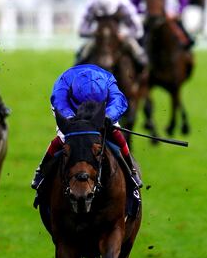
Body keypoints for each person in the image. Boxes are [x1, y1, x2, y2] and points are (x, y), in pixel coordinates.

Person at [30, 64, 142, 193]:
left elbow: (119, 101)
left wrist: (109, 116)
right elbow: (59, 103)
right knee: (63, 138)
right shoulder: (63, 83)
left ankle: (131, 170)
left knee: (115, 132)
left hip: (100, 111)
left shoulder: (108, 80)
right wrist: (69, 118)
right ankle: (41, 171)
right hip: (72, 110)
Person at [75, 0, 148, 70]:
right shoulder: (92, 4)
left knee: (135, 48)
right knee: (84, 52)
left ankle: (142, 68)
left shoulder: (124, 4)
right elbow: (81, 29)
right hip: (99, 33)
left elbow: (138, 30)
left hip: (122, 30)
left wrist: (124, 34)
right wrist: (94, 32)